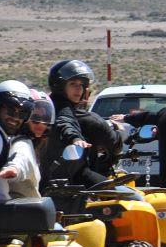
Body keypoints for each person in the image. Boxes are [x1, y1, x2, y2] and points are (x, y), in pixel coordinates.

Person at [40, 58, 121, 187]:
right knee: (131, 197)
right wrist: (75, 138)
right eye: (73, 84)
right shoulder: (64, 109)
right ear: (60, 86)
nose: (79, 89)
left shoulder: (50, 107)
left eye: (81, 84)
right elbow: (64, 121)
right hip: (74, 176)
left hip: (53, 176)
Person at [0, 90, 48, 204]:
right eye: (35, 116)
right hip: (24, 213)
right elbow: (21, 157)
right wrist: (14, 169)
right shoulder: (22, 143)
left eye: (44, 117)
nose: (41, 123)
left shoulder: (2, 139)